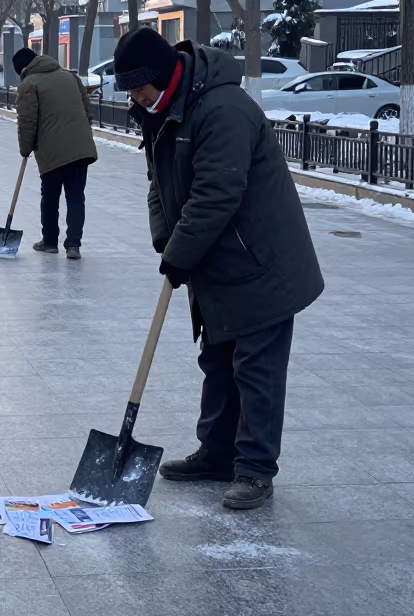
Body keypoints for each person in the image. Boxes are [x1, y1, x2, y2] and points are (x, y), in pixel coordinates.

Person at [111, 27, 324, 511]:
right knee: (219, 360)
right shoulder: (162, 109)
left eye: (137, 87)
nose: (133, 97)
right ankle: (217, 453)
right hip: (219, 258)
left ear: (161, 75)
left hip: (260, 260)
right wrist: (167, 240)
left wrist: (180, 255)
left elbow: (216, 195)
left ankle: (254, 470)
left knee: (257, 369)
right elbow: (159, 183)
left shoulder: (223, 110)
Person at [12, 47, 97, 260]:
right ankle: (73, 245)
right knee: (76, 197)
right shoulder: (71, 77)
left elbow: (27, 121)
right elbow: (87, 111)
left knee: (50, 197)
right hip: (80, 148)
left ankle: (50, 242)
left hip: (52, 151)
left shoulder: (29, 84)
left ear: (22, 69)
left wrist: (25, 148)